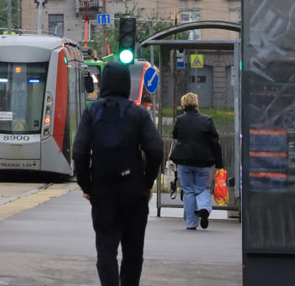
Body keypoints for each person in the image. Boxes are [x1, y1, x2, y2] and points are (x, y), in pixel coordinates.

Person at [73, 61, 163, 286]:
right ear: (126, 84)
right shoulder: (138, 113)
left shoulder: (92, 112)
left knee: (106, 249)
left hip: (102, 190)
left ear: (103, 84)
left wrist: (87, 186)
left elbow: (79, 152)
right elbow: (155, 150)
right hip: (134, 190)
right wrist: (147, 183)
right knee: (133, 251)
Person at [169, 92, 224, 230]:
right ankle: (204, 208)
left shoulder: (180, 120)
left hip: (184, 161)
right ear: (197, 104)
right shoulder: (207, 120)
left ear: (184, 105)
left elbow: (175, 135)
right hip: (203, 162)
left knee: (188, 191)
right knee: (202, 188)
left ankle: (191, 223)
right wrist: (219, 164)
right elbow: (215, 143)